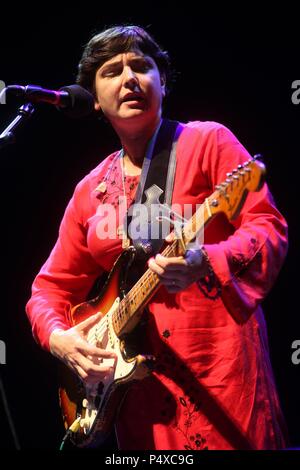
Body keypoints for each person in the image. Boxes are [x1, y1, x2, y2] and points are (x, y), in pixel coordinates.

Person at [25, 25, 288, 450]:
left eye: (141, 67)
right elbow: (49, 289)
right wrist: (60, 339)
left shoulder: (208, 142)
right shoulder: (89, 190)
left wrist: (209, 259)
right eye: (112, 71)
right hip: (138, 400)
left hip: (220, 378)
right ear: (93, 98)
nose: (129, 78)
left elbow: (267, 227)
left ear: (162, 82)